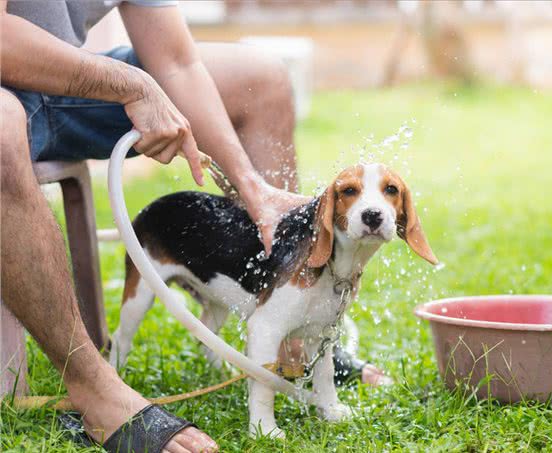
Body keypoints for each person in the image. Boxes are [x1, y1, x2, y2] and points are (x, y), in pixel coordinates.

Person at [0, 1, 386, 451]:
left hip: (60, 75)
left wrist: (252, 188)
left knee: (262, 78)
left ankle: (290, 328)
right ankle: (92, 386)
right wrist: (132, 83)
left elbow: (178, 61)